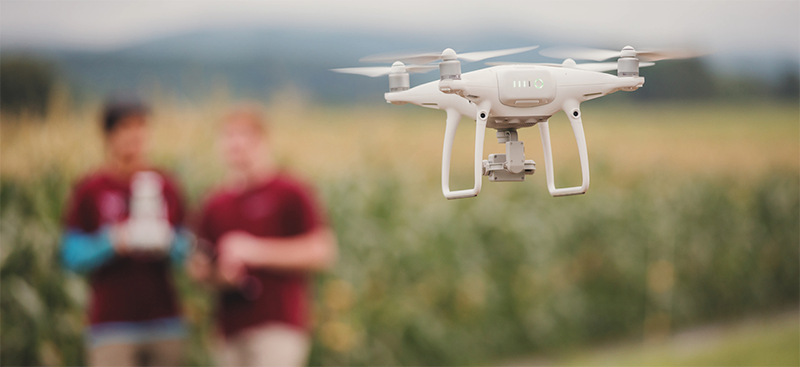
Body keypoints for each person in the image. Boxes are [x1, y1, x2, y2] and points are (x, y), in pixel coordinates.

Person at [188, 104, 337, 367]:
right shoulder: (214, 203)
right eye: (229, 136)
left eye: (243, 136)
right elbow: (198, 265)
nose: (236, 144)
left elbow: (321, 251)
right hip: (228, 331)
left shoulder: (290, 191)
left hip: (278, 327)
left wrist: (255, 251)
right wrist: (216, 275)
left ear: (263, 141)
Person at [60, 95, 191, 367]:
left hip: (165, 322)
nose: (135, 136)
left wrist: (169, 243)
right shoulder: (90, 188)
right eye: (126, 128)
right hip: (111, 326)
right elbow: (71, 255)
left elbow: (189, 250)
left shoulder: (167, 185)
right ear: (108, 135)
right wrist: (112, 242)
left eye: (141, 127)